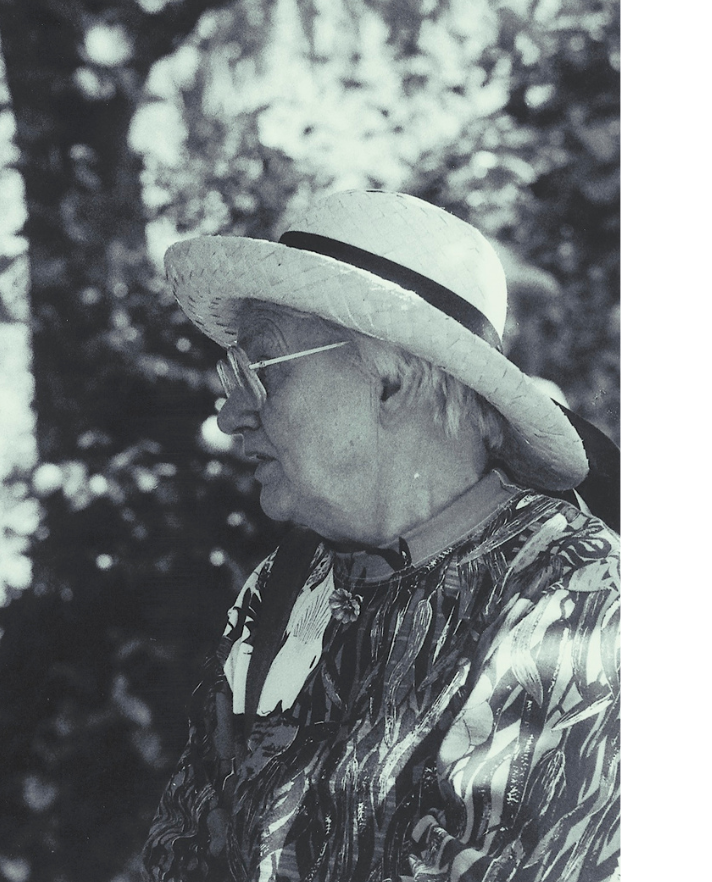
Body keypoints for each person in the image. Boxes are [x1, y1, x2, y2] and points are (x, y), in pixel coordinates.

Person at [141, 191, 620, 881]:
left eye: (260, 370)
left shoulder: (577, 603)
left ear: (391, 382)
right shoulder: (278, 592)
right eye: (230, 374)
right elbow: (183, 848)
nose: (229, 415)